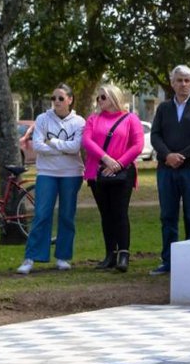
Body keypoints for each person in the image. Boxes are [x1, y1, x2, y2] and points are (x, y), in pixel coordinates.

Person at [17, 84, 85, 274]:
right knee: (41, 214)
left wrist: (53, 142)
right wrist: (64, 148)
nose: (56, 102)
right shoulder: (42, 119)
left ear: (70, 100)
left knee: (66, 215)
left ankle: (62, 257)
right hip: (46, 173)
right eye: (53, 98)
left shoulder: (79, 122)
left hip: (71, 174)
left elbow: (76, 147)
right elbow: (38, 146)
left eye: (60, 98)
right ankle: (30, 258)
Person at [150, 65, 190, 275]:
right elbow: (155, 135)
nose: (183, 84)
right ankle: (169, 262)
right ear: (172, 83)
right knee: (168, 216)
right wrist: (168, 156)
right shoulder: (163, 109)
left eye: (187, 80)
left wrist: (182, 155)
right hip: (167, 170)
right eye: (179, 80)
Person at [83, 84, 143, 273]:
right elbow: (87, 141)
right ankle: (110, 253)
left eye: (103, 97)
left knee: (120, 212)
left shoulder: (130, 119)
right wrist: (106, 159)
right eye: (98, 98)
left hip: (123, 172)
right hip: (98, 172)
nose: (99, 101)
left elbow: (138, 145)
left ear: (114, 98)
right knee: (106, 214)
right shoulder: (93, 119)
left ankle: (124, 253)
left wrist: (118, 163)